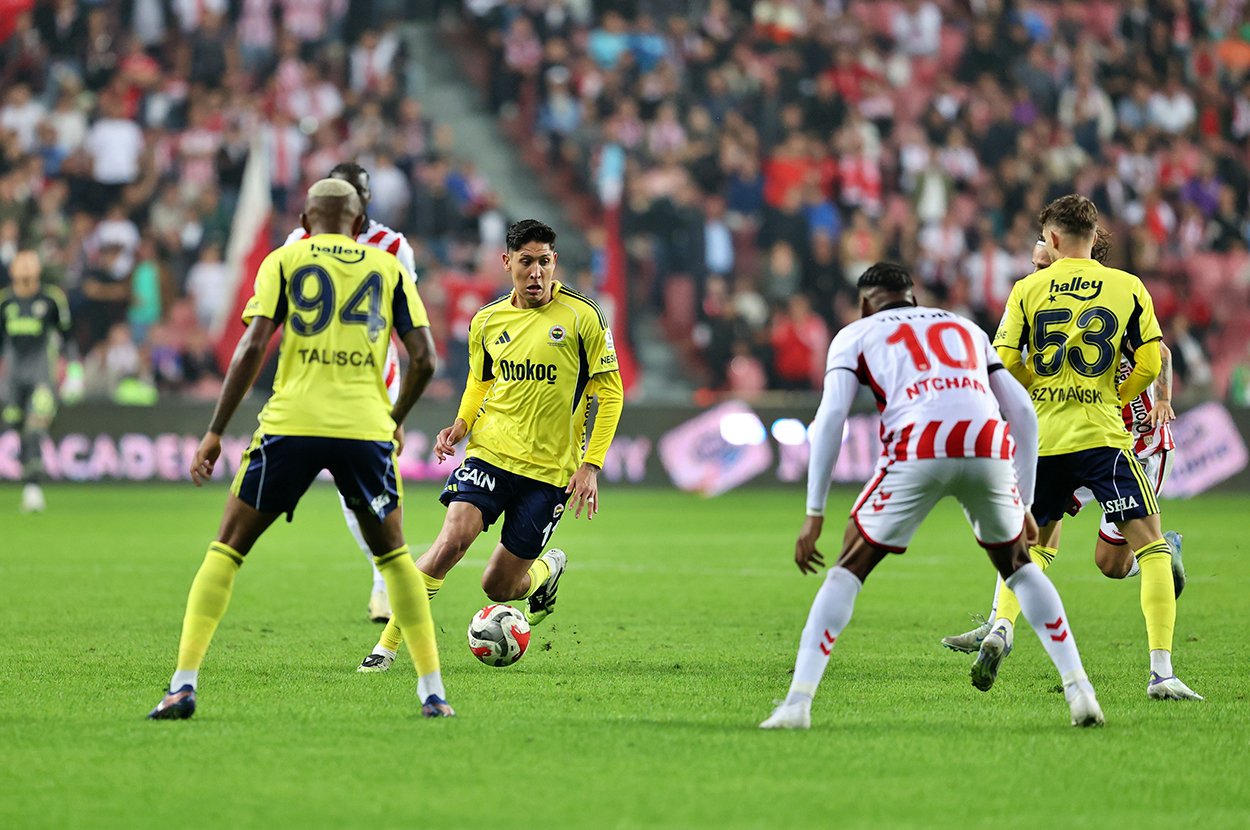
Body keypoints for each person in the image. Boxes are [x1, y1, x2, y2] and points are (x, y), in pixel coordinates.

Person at [147, 179, 450, 720]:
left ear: (307, 221)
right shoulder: (388, 269)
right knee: (396, 558)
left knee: (227, 547)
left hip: (292, 422)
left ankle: (182, 685)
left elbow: (252, 346)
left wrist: (216, 429)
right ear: (360, 225)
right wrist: (392, 419)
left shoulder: (284, 259)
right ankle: (432, 693)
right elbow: (425, 359)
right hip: (363, 427)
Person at [761, 261, 1102, 730]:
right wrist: (1024, 501)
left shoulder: (854, 334)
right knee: (1019, 568)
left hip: (920, 444)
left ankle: (797, 704)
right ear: (914, 299)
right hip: (986, 443)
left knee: (848, 569)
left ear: (865, 304)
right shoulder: (964, 326)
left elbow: (832, 417)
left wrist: (814, 511)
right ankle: (1080, 691)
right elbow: (1021, 408)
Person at [356, 219, 623, 672]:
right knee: (450, 542)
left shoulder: (583, 317)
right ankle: (386, 648)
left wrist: (591, 464)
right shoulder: (487, 320)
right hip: (490, 453)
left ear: (554, 262)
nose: (536, 272)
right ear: (507, 263)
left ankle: (544, 571)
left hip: (550, 472)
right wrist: (461, 423)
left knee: (499, 586)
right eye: (526, 262)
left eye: (544, 262)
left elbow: (610, 392)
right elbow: (480, 382)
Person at [976, 194, 1200, 701]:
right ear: (1095, 237)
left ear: (1051, 239)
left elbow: (1003, 364)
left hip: (1046, 439)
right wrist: (1108, 396)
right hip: (1103, 435)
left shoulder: (1027, 289)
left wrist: (1042, 392)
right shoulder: (1127, 286)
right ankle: (1161, 674)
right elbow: (1150, 360)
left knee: (1031, 544)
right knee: (1152, 547)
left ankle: (1001, 629)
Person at [282, 161, 417, 624]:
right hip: (314, 384)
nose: (350, 202)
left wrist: (397, 411)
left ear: (366, 201)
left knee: (370, 483)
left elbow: (408, 328)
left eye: (357, 193)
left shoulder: (395, 247)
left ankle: (387, 582)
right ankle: (390, 577)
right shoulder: (297, 244)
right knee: (342, 488)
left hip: (373, 383)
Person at [0, 250, 71, 513]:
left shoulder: (52, 299)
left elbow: (67, 338)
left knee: (34, 428)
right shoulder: (5, 303)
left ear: (39, 269)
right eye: (22, 265)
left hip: (42, 375)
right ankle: (29, 481)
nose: (27, 270)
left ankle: (33, 489)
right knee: (17, 426)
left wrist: (74, 373)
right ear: (12, 271)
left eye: (32, 264)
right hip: (13, 379)